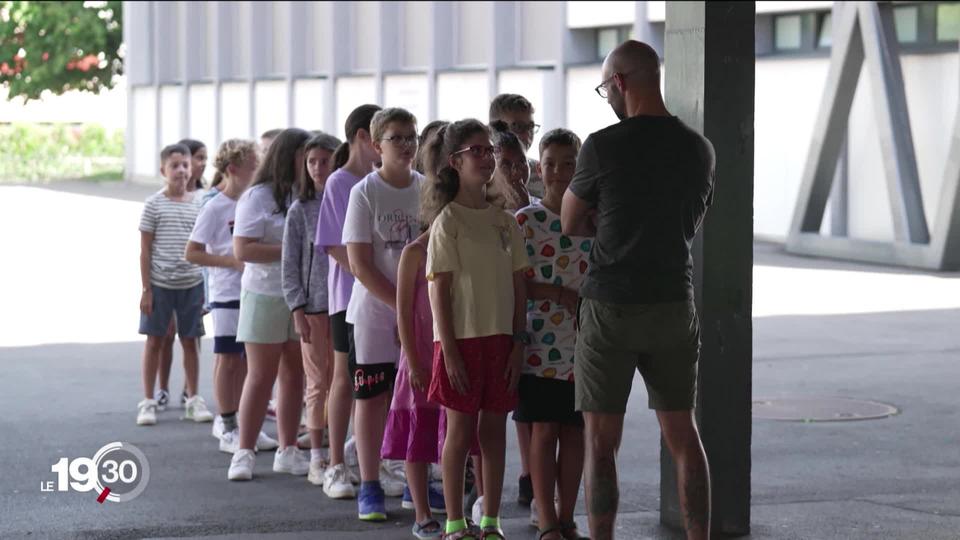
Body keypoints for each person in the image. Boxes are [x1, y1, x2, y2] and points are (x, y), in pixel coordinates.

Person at [560, 40, 716, 540]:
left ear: (621, 83)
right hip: (673, 301)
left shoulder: (603, 146)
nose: (607, 95)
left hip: (610, 305)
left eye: (607, 86)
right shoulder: (699, 148)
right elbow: (688, 224)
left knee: (600, 441)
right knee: (683, 434)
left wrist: (606, 221)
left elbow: (568, 221)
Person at [424, 119, 530, 540]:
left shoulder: (505, 221)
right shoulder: (447, 220)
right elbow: (439, 291)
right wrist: (448, 350)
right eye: (477, 151)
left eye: (489, 151)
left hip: (501, 340)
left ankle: (490, 520)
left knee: (493, 433)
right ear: (455, 161)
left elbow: (520, 285)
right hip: (460, 341)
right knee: (460, 431)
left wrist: (518, 343)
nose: (487, 158)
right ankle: (454, 521)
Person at [342, 107, 423, 521]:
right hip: (375, 314)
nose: (407, 145)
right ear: (376, 146)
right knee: (372, 397)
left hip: (419, 315)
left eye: (412, 136)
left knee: (414, 397)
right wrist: (400, 309)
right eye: (397, 138)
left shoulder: (426, 189)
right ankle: (370, 484)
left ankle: (415, 481)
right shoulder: (365, 192)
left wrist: (414, 313)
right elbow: (359, 263)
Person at [514, 129, 589, 540]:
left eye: (568, 162)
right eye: (550, 163)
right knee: (543, 430)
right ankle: (545, 519)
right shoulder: (526, 221)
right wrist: (559, 294)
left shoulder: (592, 220)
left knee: (575, 432)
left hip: (583, 345)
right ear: (537, 169)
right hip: (539, 344)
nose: (559, 171)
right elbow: (515, 283)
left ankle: (567, 515)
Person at [228, 128, 313, 481]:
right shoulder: (257, 196)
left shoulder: (309, 193)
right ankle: (244, 452)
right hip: (263, 293)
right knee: (260, 375)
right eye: (303, 156)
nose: (309, 164)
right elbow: (243, 249)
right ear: (288, 156)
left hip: (301, 296)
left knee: (295, 375)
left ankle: (288, 449)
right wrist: (291, 250)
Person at [315, 103, 383, 499]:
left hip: (381, 299)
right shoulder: (340, 183)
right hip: (348, 298)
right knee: (344, 378)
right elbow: (336, 246)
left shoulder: (381, 181)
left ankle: (371, 458)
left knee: (376, 384)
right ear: (362, 137)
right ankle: (334, 463)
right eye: (379, 138)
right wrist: (368, 278)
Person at [383, 179, 448, 538]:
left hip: (453, 350)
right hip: (420, 354)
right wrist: (412, 358)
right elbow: (403, 314)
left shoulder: (462, 250)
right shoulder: (415, 253)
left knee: (463, 433)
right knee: (416, 432)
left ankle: (474, 506)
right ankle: (422, 512)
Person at [185, 139, 258, 453]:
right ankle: (226, 422)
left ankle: (240, 421)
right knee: (227, 358)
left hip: (253, 290)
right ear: (233, 170)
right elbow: (193, 252)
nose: (258, 171)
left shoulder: (254, 201)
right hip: (227, 291)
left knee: (246, 359)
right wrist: (230, 261)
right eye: (253, 166)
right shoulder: (215, 206)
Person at [136, 143, 213, 426]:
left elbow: (204, 245)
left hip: (191, 284)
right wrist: (146, 289)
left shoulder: (199, 202)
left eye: (185, 165)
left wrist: (206, 287)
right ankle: (148, 400)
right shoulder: (153, 204)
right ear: (163, 171)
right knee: (155, 340)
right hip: (160, 284)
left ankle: (193, 398)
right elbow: (145, 250)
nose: (181, 170)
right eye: (174, 166)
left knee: (191, 341)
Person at [281, 132, 342, 485]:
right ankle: (317, 455)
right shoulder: (300, 210)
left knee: (343, 380)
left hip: (344, 306)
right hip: (315, 307)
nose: (318, 168)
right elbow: (290, 264)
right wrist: (297, 308)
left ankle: (339, 448)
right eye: (312, 161)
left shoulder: (347, 201)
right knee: (318, 382)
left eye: (325, 160)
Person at [156, 138, 209, 411]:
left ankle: (191, 391)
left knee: (191, 338)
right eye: (197, 158)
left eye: (202, 160)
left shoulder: (203, 197)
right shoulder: (160, 201)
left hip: (193, 280)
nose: (200, 164)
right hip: (165, 280)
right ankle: (161, 388)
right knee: (165, 335)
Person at [489, 93, 543, 201]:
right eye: (518, 126)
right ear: (495, 129)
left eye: (531, 127)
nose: (527, 135)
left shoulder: (542, 172)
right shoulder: (484, 174)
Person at [487, 121, 532, 212]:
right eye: (506, 164)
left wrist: (525, 209)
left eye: (522, 161)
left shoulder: (538, 208)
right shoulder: (476, 208)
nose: (517, 171)